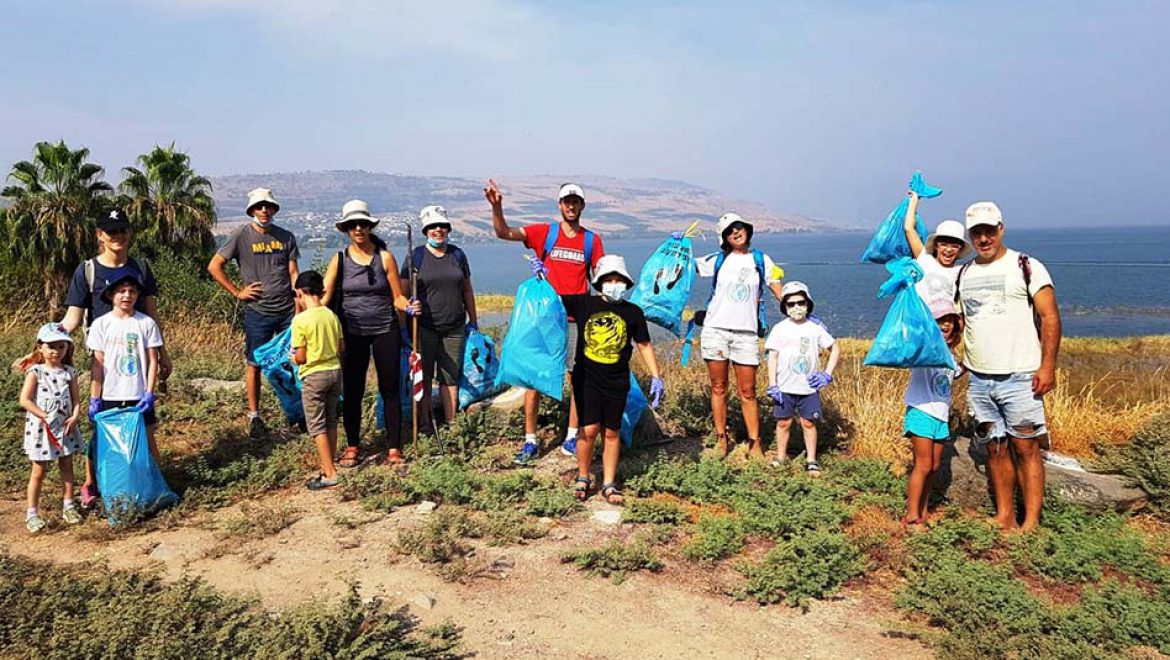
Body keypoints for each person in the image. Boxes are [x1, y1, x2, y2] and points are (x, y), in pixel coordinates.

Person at [11, 209, 171, 509]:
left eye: (123, 230)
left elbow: (151, 311)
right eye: (111, 231)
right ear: (100, 236)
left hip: (136, 355)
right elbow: (72, 318)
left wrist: (162, 353)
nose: (118, 236)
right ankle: (91, 484)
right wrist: (44, 344)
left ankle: (153, 483)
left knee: (147, 428)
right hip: (103, 359)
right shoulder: (88, 271)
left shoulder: (141, 267)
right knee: (100, 427)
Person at [485, 179, 605, 465]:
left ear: (582, 206)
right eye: (567, 201)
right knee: (533, 379)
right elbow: (503, 232)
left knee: (578, 379)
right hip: (545, 319)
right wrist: (497, 207)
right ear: (560, 205)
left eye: (576, 201)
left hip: (577, 319)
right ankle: (530, 441)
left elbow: (600, 278)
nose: (571, 206)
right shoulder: (544, 233)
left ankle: (571, 437)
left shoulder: (592, 240)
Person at [957, 201, 1061, 532]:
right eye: (977, 233)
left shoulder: (1026, 265)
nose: (984, 238)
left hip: (1021, 377)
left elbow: (1050, 317)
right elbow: (962, 322)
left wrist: (1048, 367)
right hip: (980, 379)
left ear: (1001, 229)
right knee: (996, 448)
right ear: (971, 235)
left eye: (989, 231)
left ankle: (1030, 523)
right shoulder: (965, 273)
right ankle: (1004, 516)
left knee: (1027, 448)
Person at [322, 200, 418, 467]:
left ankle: (395, 448)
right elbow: (326, 297)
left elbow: (397, 296)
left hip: (385, 329)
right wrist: (305, 310)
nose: (359, 228)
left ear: (369, 226)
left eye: (363, 224)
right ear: (346, 229)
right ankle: (352, 446)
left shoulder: (384, 257)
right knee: (353, 390)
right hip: (352, 332)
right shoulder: (339, 260)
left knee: (390, 388)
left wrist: (410, 307)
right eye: (353, 225)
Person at [561, 255, 664, 505]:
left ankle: (608, 482)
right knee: (588, 429)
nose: (614, 283)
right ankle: (583, 476)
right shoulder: (583, 304)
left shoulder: (632, 312)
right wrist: (540, 277)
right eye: (609, 279)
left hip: (617, 380)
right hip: (587, 379)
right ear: (599, 282)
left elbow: (644, 344)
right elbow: (552, 296)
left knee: (612, 432)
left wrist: (656, 375)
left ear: (626, 282)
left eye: (619, 279)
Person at [208, 188, 301, 438]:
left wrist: (300, 304)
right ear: (251, 210)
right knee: (254, 363)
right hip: (258, 311)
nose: (264, 211)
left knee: (291, 361)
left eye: (268, 206)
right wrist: (237, 291)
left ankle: (297, 414)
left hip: (286, 311)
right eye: (259, 207)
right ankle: (255, 415)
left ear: (274, 209)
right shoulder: (241, 235)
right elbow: (214, 266)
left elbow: (293, 273)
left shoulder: (286, 237)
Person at [695, 212, 784, 459]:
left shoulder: (761, 259)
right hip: (716, 330)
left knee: (748, 391)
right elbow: (685, 265)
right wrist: (676, 246)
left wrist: (796, 308)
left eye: (739, 227)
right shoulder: (718, 259)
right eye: (729, 230)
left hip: (746, 333)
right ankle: (721, 439)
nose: (736, 232)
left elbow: (776, 286)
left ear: (747, 229)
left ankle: (755, 442)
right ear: (723, 238)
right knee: (718, 387)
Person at [402, 205, 478, 431]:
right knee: (422, 377)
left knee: (450, 378)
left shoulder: (457, 254)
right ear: (426, 230)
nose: (438, 230)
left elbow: (467, 289)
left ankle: (452, 424)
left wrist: (473, 321)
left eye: (442, 226)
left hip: (454, 328)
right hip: (424, 328)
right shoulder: (415, 256)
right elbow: (403, 292)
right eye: (433, 226)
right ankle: (425, 424)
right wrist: (405, 319)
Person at [86, 269, 163, 464]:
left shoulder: (146, 323)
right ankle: (104, 485)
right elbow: (97, 363)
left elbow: (152, 360)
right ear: (111, 294)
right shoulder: (101, 324)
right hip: (110, 394)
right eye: (121, 291)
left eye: (132, 291)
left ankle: (156, 481)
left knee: (146, 437)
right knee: (109, 441)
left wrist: (149, 392)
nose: (127, 295)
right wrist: (95, 397)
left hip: (137, 393)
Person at [764, 281, 839, 474]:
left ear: (808, 304)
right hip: (785, 388)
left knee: (808, 422)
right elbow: (772, 356)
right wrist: (773, 384)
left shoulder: (815, 328)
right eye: (791, 304)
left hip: (808, 389)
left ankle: (811, 459)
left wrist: (827, 374)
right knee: (783, 422)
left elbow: (834, 348)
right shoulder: (780, 329)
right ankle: (780, 457)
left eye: (801, 303)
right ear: (785, 307)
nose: (797, 307)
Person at [902, 299, 964, 527]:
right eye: (940, 321)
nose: (945, 325)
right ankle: (911, 516)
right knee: (924, 464)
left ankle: (923, 509)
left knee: (935, 466)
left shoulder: (951, 354)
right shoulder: (924, 349)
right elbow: (909, 345)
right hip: (921, 411)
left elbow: (956, 373)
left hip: (940, 415)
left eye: (949, 320)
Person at [20, 324, 85, 533]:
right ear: (40, 347)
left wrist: (74, 416)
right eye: (51, 346)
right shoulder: (36, 372)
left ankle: (68, 505)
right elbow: (25, 400)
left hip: (64, 427)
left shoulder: (69, 373)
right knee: (39, 470)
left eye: (61, 346)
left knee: (67, 465)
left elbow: (76, 400)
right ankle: (32, 513)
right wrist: (43, 415)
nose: (56, 351)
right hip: (42, 429)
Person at [290, 271, 345, 490]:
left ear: (299, 292)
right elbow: (342, 347)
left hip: (314, 374)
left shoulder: (300, 321)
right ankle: (329, 464)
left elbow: (301, 356)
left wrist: (294, 358)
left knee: (317, 425)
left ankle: (330, 473)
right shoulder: (331, 315)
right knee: (331, 419)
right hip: (334, 371)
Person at [904, 191, 972, 305]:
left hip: (945, 322)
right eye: (944, 244)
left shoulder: (961, 273)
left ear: (960, 249)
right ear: (936, 245)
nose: (949, 250)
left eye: (955, 246)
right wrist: (914, 200)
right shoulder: (925, 260)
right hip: (921, 321)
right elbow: (909, 229)